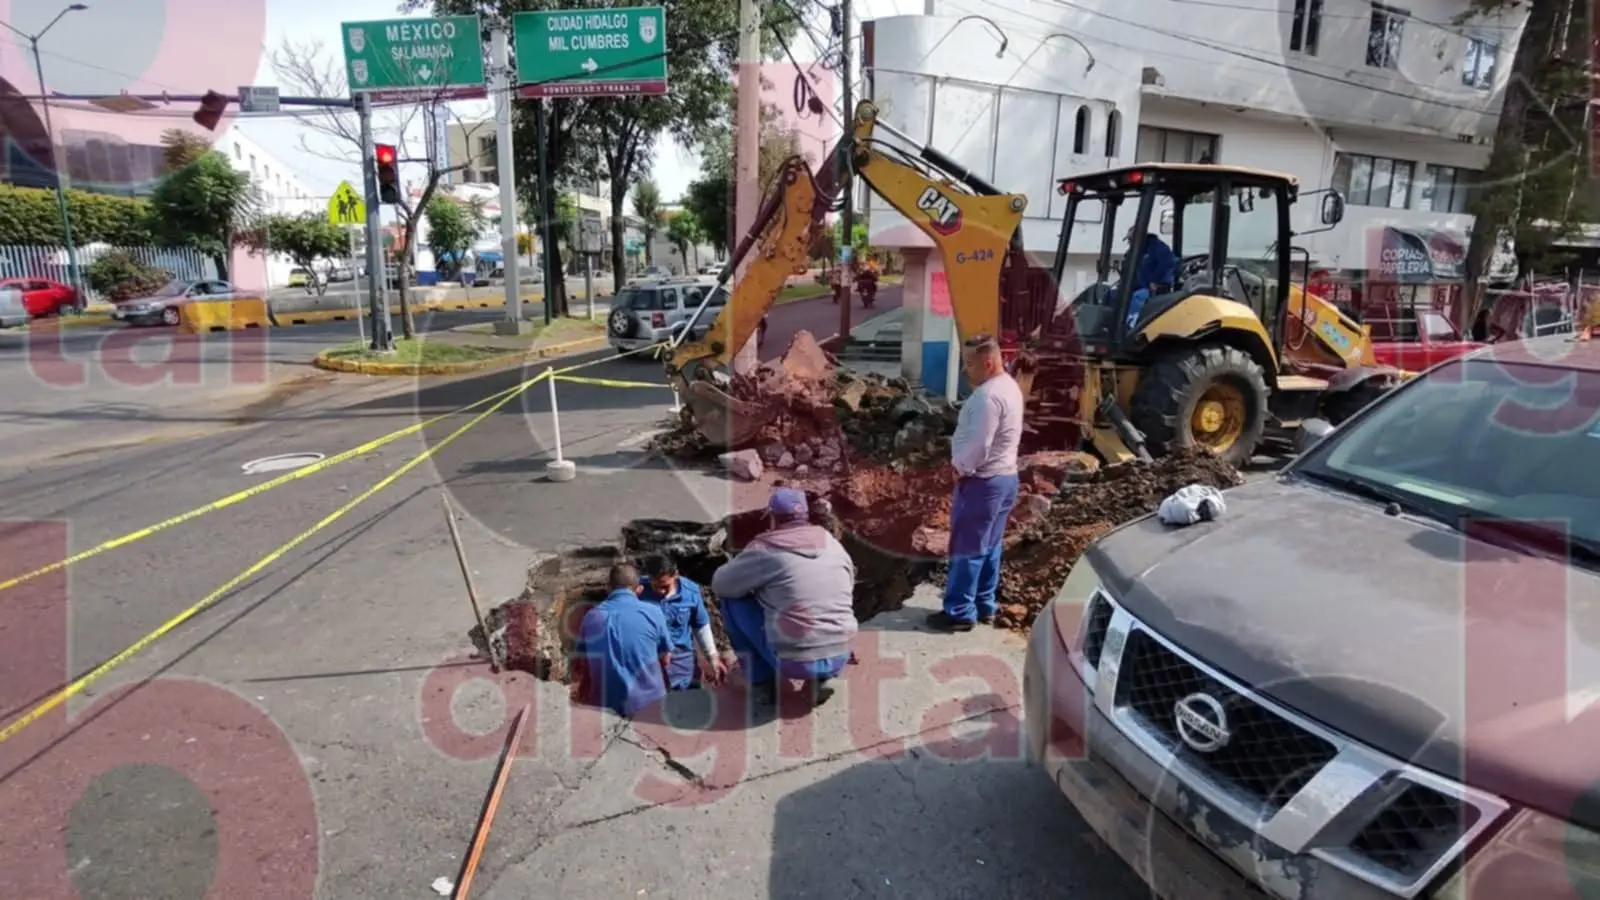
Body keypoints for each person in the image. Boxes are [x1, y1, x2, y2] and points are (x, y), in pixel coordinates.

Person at [711, 488, 858, 703]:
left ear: (772, 518)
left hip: (794, 660)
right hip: (840, 651)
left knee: (732, 600)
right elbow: (848, 586)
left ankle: (761, 683)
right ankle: (822, 678)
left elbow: (721, 585)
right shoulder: (833, 544)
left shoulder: (765, 549)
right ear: (806, 515)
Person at [929, 334, 1024, 633]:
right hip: (1005, 478)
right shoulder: (1009, 387)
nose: (964, 371)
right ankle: (984, 605)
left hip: (983, 482)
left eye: (969, 364)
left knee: (967, 548)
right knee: (990, 545)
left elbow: (980, 444)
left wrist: (960, 468)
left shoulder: (988, 397)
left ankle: (959, 612)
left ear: (988, 362)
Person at [569, 563, 672, 718]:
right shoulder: (654, 613)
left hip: (605, 708)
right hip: (649, 704)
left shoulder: (591, 618)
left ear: (608, 588)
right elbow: (666, 659)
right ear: (639, 590)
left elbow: (583, 666)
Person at [638, 554, 727, 690]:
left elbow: (700, 625)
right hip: (649, 658)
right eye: (656, 586)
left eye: (665, 586)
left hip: (681, 657)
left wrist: (713, 657)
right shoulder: (638, 591)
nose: (661, 591)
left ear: (676, 575)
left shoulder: (690, 592)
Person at [1124, 225, 1178, 328]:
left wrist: (1155, 281)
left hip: (1155, 288)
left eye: (1131, 239)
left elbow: (1168, 264)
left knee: (1138, 297)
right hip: (1138, 286)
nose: (1130, 242)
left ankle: (1133, 327)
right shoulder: (1133, 252)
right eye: (1129, 240)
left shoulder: (1158, 247)